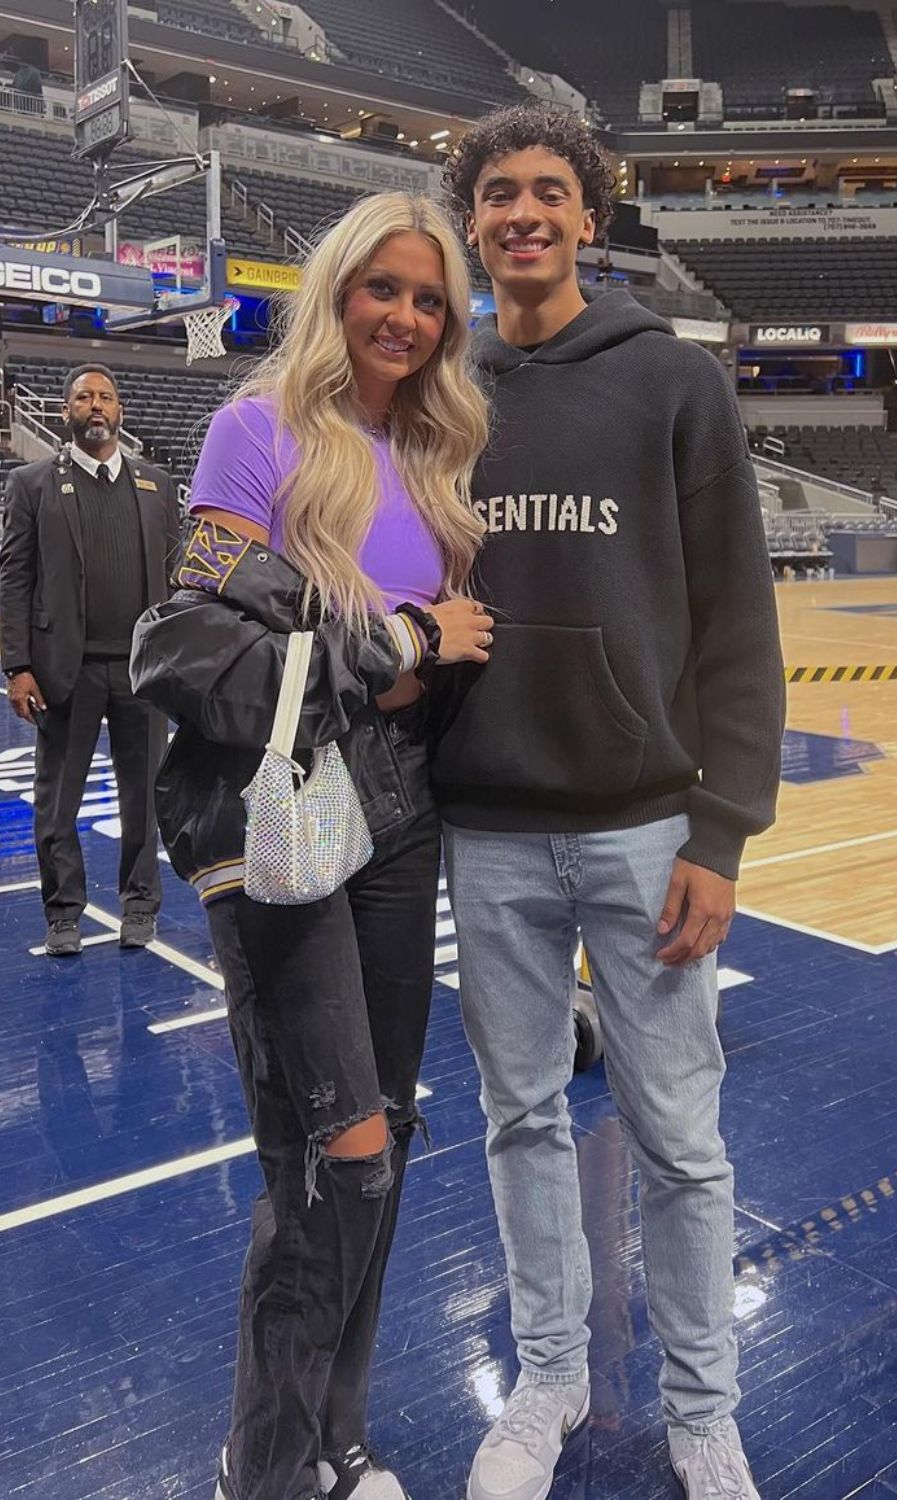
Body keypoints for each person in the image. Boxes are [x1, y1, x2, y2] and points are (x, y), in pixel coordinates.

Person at [433, 103, 786, 1500]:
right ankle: (552, 1377)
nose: (523, 212)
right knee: (517, 1119)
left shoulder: (671, 384)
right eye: (499, 193)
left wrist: (723, 832)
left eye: (548, 191)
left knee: (682, 1143)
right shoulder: (443, 391)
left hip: (647, 825)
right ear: (472, 220)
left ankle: (704, 1409)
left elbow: (738, 623)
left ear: (589, 216)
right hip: (485, 827)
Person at [130, 192, 494, 1500]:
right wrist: (395, 639)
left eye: (428, 298)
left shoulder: (445, 462)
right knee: (332, 1153)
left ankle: (336, 1434)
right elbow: (183, 648)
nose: (402, 315)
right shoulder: (256, 428)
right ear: (337, 292)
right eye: (379, 288)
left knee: (382, 1135)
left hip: (403, 814)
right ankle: (268, 1467)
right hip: (281, 807)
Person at [0, 363, 177, 955]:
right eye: (83, 398)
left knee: (144, 797)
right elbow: (14, 578)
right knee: (58, 803)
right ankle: (64, 914)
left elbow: (177, 582)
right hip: (63, 669)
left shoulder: (156, 485)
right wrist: (17, 665)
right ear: (66, 410)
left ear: (120, 410)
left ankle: (139, 904)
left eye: (105, 397)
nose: (95, 406)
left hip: (141, 671)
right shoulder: (31, 483)